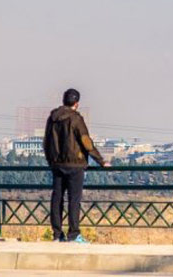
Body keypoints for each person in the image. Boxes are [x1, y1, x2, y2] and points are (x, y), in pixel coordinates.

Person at [43, 88, 107, 243]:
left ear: (63, 100)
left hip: (57, 164)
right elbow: (86, 142)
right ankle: (73, 234)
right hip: (75, 165)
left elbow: (46, 142)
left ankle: (57, 234)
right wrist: (101, 161)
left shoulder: (53, 118)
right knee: (74, 200)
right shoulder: (76, 119)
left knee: (57, 198)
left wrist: (51, 160)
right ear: (77, 103)